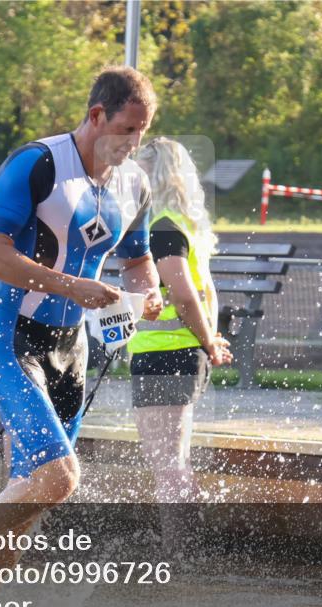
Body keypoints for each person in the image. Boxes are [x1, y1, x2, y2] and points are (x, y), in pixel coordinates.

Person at [0, 66, 163, 580]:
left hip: (71, 350)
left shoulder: (135, 184)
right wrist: (73, 287)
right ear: (97, 115)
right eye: (127, 129)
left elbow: (138, 260)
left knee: (31, 496)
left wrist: (147, 293)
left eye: (143, 132)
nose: (134, 143)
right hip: (11, 336)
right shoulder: (39, 163)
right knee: (59, 477)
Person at [128, 137, 233, 502]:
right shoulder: (183, 224)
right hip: (181, 353)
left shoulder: (162, 228)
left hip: (163, 355)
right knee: (177, 465)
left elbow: (185, 296)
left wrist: (209, 342)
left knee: (168, 470)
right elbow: (206, 291)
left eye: (140, 173)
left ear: (157, 177)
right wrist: (209, 340)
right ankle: (189, 535)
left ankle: (178, 539)